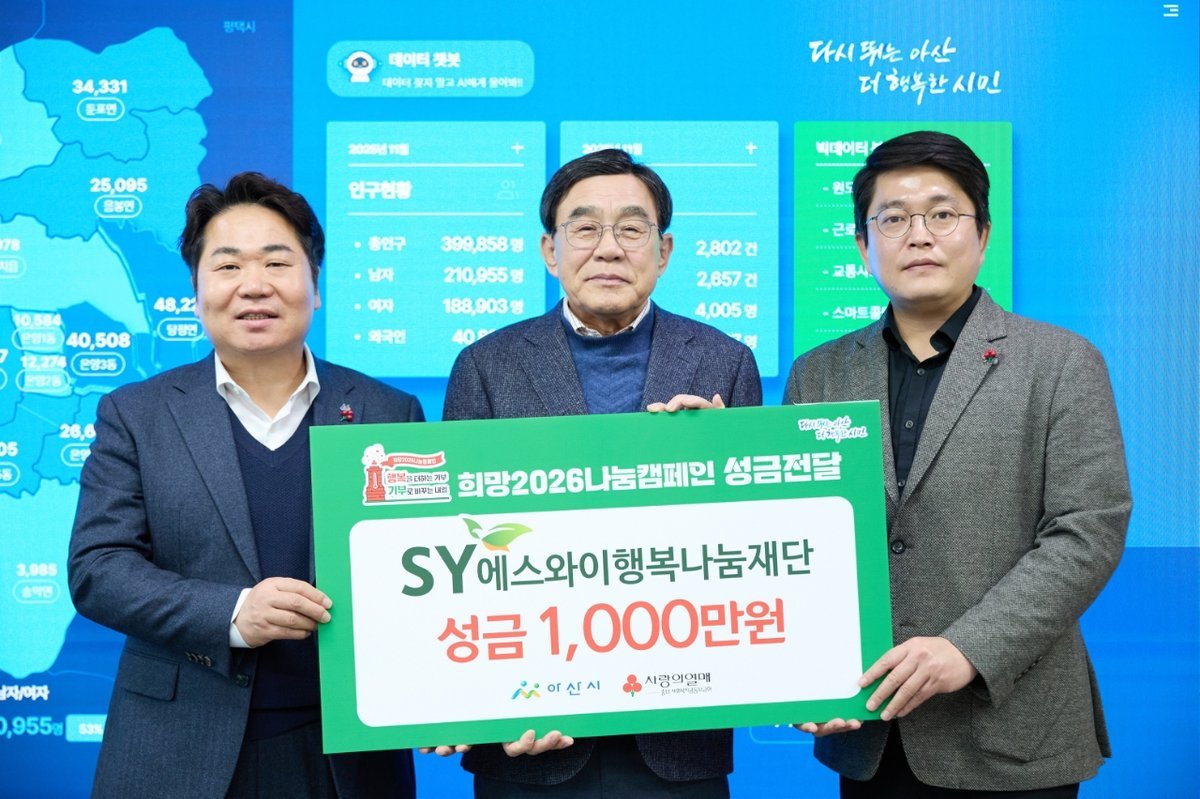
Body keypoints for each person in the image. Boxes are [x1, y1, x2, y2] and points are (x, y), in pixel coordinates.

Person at [785, 131, 1131, 797]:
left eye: (942, 214)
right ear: (862, 245)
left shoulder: (1061, 362)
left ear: (983, 234)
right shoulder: (819, 373)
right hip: (869, 728)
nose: (919, 235)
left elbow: (1088, 531)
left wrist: (968, 647)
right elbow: (800, 538)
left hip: (1012, 732)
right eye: (893, 218)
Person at [68, 172, 422, 798]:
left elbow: (424, 572)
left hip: (346, 755)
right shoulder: (137, 414)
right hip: (178, 747)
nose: (254, 285)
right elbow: (99, 568)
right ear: (196, 291)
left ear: (315, 285)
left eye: (277, 263)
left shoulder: (387, 412)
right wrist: (233, 613)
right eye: (228, 266)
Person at [439, 148, 762, 797]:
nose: (609, 247)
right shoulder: (485, 366)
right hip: (530, 736)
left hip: (678, 737)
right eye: (585, 228)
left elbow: (758, 547)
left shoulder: (724, 363)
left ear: (664, 251)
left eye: (631, 228)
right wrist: (479, 701)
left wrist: (724, 467)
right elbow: (456, 545)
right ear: (549, 250)